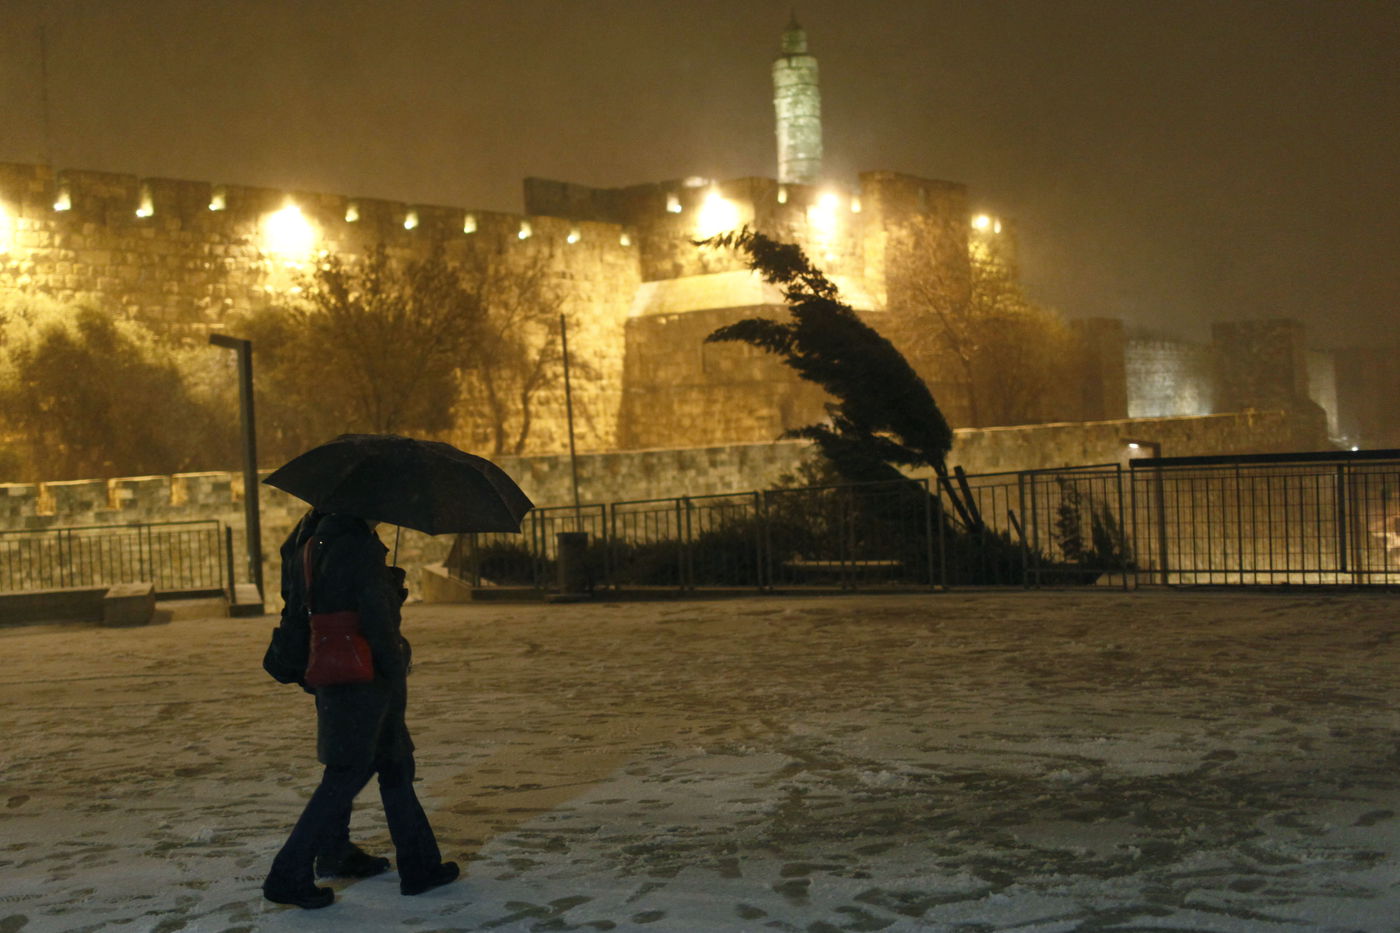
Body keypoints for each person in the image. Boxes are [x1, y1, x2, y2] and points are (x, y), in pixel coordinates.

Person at [262, 511, 458, 909]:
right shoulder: (358, 547)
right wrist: (394, 648)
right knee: (348, 773)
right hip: (364, 673)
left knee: (394, 762)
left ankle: (417, 864)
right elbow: (375, 620)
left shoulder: (307, 541)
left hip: (331, 666)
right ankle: (288, 873)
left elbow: (313, 600)